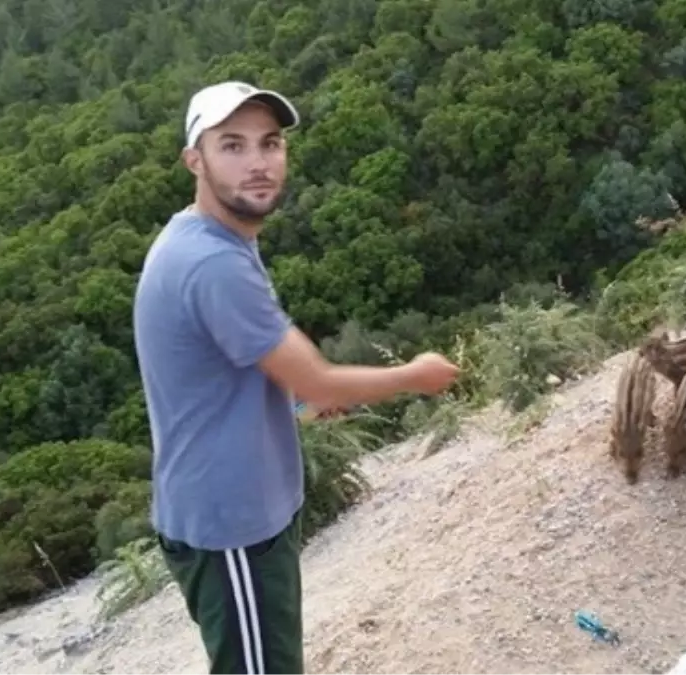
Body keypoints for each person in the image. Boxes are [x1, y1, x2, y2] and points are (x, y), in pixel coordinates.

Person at [131, 81, 460, 675]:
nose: (257, 162)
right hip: (230, 523)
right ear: (194, 160)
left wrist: (291, 408)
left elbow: (231, 375)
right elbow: (321, 382)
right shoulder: (212, 263)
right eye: (232, 145)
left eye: (270, 143)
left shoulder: (209, 236)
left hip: (234, 507)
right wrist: (416, 375)